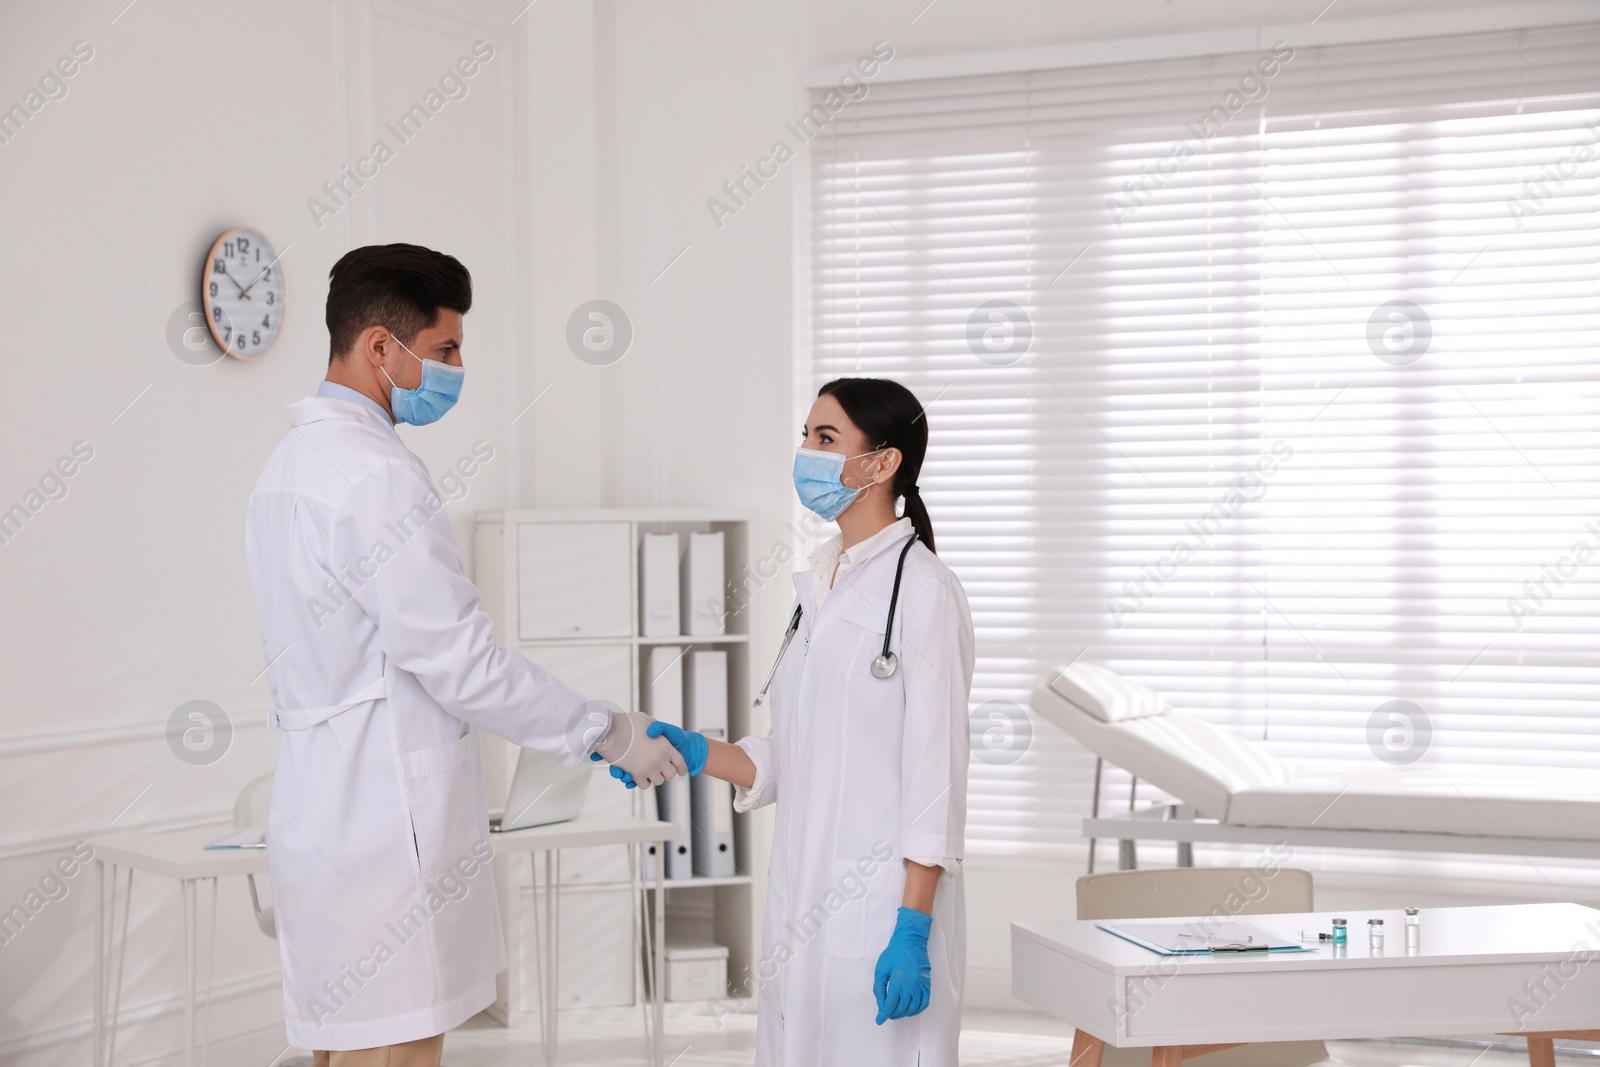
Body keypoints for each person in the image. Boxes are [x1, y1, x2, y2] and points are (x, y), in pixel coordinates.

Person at [244, 243, 683, 1066]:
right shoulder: (376, 475)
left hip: (319, 809)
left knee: (343, 1050)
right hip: (385, 826)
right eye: (445, 349)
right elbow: (460, 661)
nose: (454, 368)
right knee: (397, 1051)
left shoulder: (287, 467)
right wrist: (607, 730)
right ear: (382, 346)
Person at [613, 377, 974, 1065]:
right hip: (805, 900)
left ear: (883, 462)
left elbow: (937, 780)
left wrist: (911, 926)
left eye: (825, 438)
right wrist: (693, 749)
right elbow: (796, 756)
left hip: (882, 913)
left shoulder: (924, 592)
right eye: (805, 435)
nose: (805, 451)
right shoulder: (823, 584)